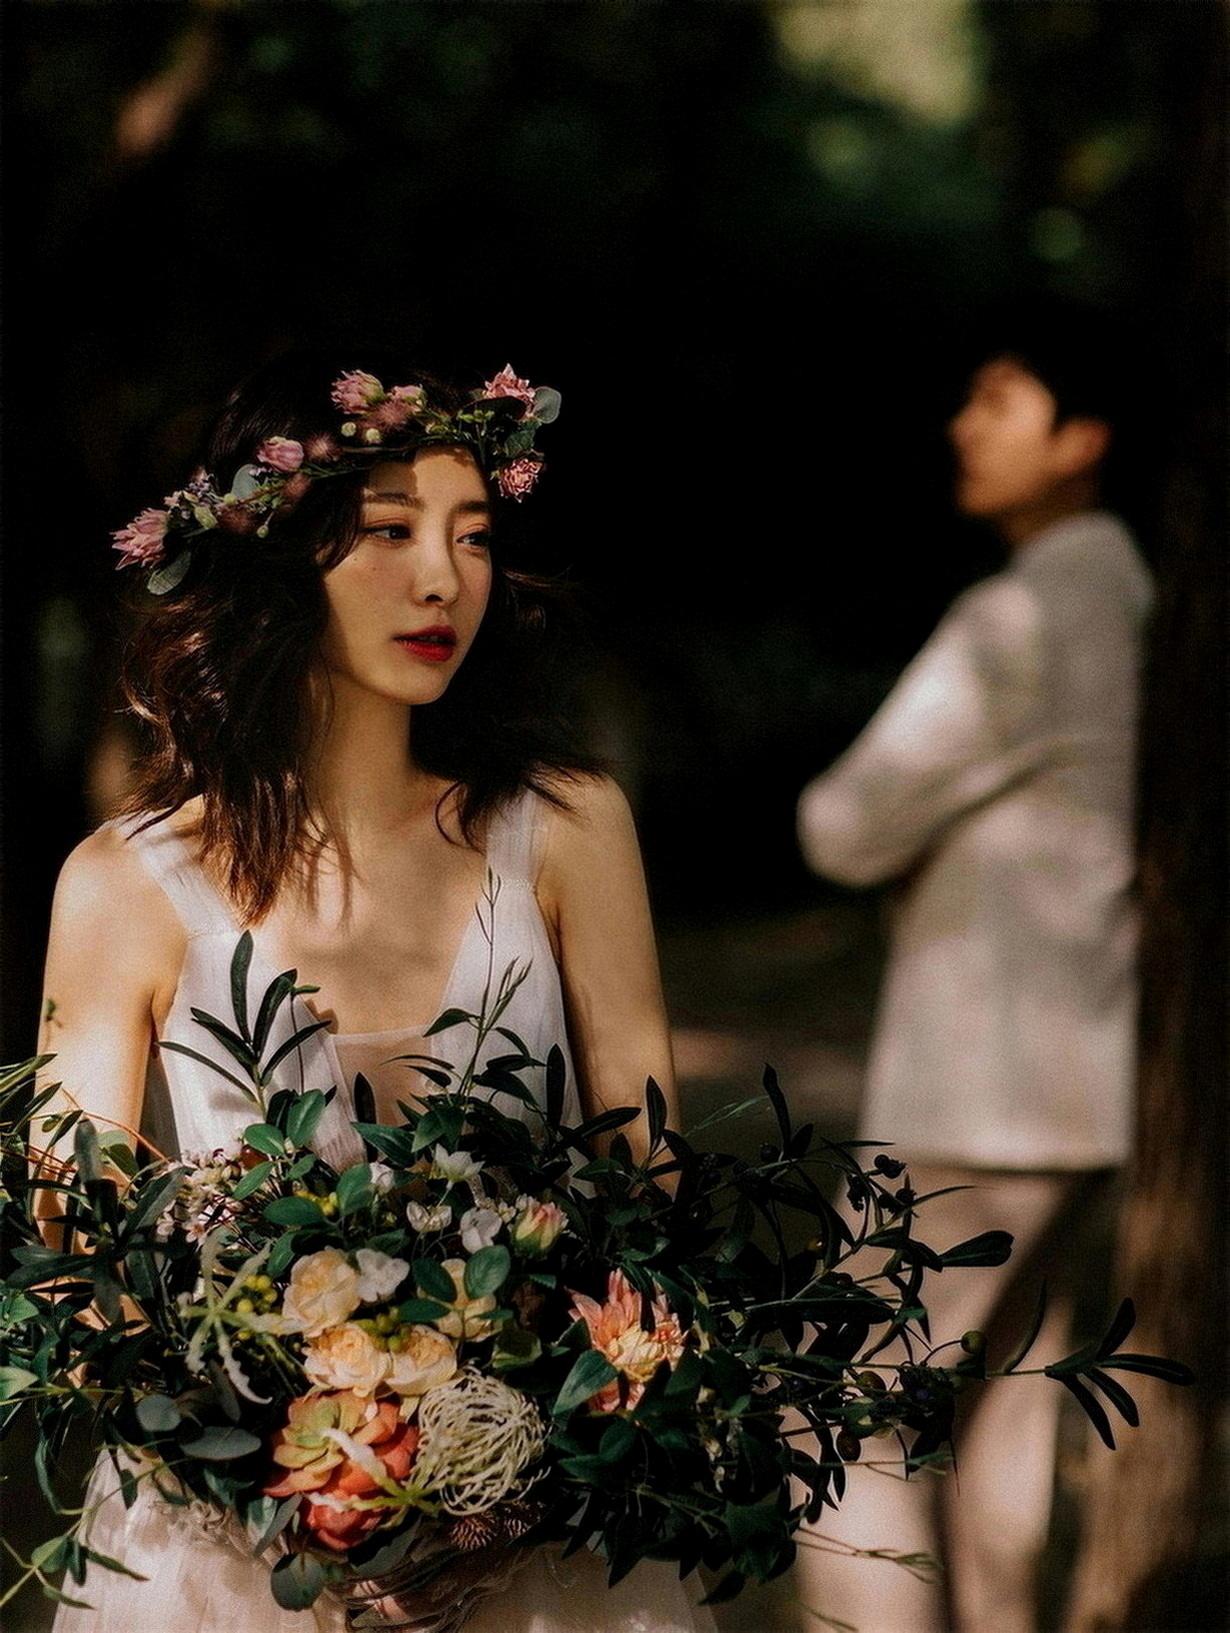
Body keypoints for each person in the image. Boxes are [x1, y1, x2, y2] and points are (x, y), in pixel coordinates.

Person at [37, 352, 716, 1633]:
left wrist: (521, 1442)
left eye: (473, 533)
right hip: (234, 1546)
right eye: (392, 530)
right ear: (274, 555)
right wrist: (286, 1457)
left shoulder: (566, 829)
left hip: (534, 1522)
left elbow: (649, 1189)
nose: (444, 577)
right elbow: (76, 1253)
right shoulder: (123, 884)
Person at [794, 312, 1153, 1632]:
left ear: (1082, 437)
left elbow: (839, 824)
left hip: (980, 1088)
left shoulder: (1028, 608)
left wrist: (922, 841)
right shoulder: (1131, 593)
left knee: (838, 1418)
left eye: (999, 400)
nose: (963, 424)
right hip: (1075, 1083)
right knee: (998, 1421)